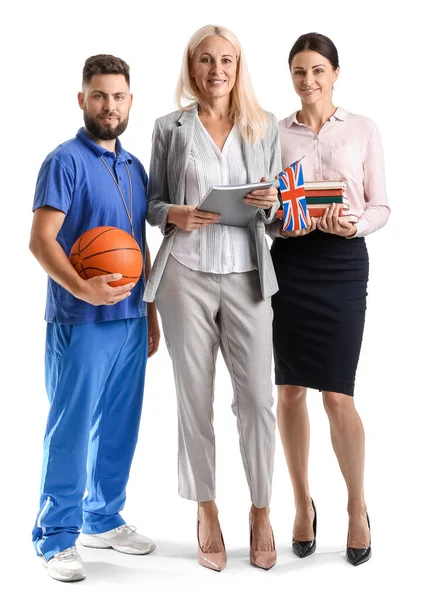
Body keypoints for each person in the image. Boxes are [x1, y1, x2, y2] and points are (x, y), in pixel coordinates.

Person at [144, 25, 281, 571]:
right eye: (206, 59)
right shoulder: (168, 127)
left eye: (226, 59)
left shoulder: (263, 125)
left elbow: (272, 213)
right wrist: (173, 214)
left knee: (256, 403)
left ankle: (262, 508)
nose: (217, 69)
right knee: (193, 400)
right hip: (185, 277)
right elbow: (152, 203)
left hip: (248, 275)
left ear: (239, 66)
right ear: (192, 65)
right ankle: (205, 509)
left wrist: (269, 201)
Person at [30, 54, 160, 582]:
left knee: (120, 426)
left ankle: (102, 518)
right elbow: (40, 240)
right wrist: (83, 287)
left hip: (129, 319)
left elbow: (139, 244)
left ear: (130, 101)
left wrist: (149, 311)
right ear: (82, 99)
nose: (110, 106)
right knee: (71, 428)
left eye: (119, 96)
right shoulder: (64, 161)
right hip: (79, 320)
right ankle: (55, 537)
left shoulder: (134, 168)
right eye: (100, 95)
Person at [268, 33, 390, 566]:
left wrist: (355, 223)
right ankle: (300, 504)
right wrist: (281, 225)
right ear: (290, 76)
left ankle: (357, 507)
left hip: (342, 265)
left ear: (335, 73)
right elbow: (267, 208)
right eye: (299, 71)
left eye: (318, 70)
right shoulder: (274, 134)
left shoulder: (364, 129)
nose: (309, 80)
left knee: (338, 395)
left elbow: (383, 205)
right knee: (290, 391)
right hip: (291, 265)